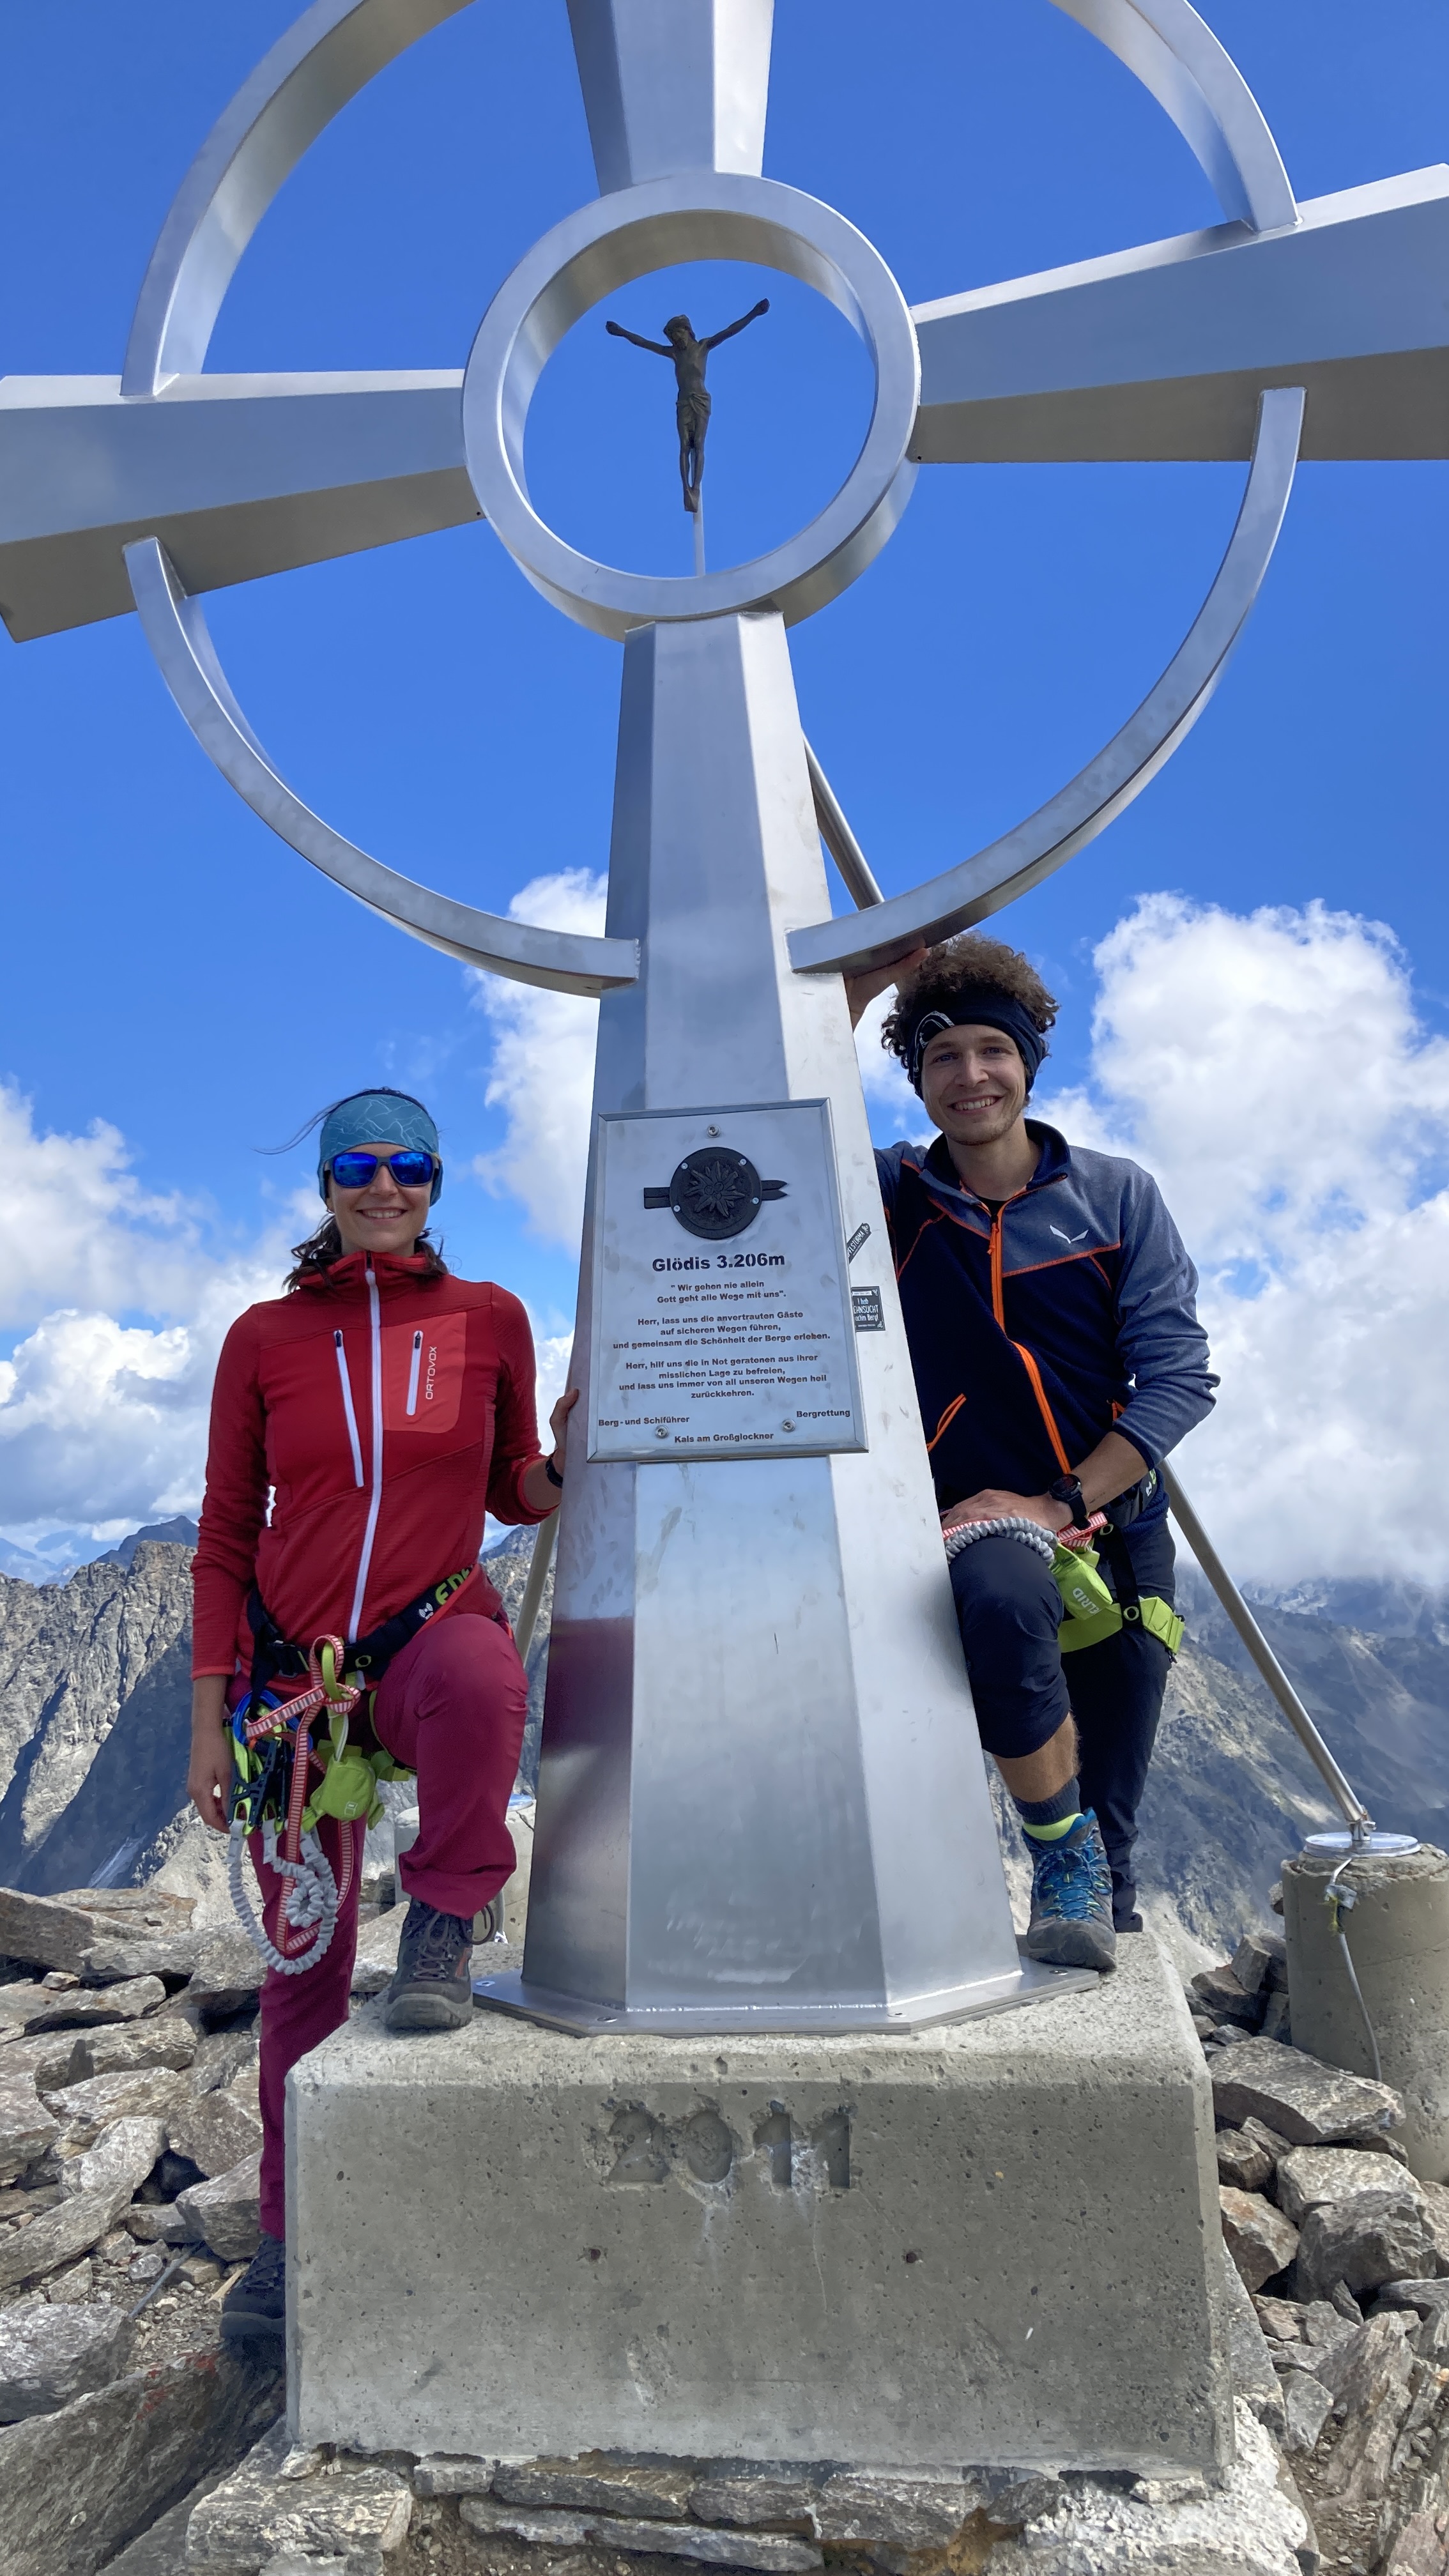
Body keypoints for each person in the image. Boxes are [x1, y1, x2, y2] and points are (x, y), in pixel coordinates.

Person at [185, 1088, 575, 2351]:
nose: (384, 1185)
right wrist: (207, 1714)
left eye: (409, 1164)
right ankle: (287, 2237)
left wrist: (565, 1460)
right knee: (300, 1967)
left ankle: (445, 1924)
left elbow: (515, 1489)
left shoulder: (487, 1317)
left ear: (437, 1181)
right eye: (357, 1165)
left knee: (483, 1679)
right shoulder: (263, 1338)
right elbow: (225, 1529)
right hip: (291, 1686)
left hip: (423, 1641)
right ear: (326, 1185)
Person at [847, 935, 1216, 1972]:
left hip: (1112, 1537)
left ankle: (1101, 1990)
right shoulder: (887, 1196)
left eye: (992, 1050)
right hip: (960, 1535)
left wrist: (1058, 1503)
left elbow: (1178, 1378)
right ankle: (1056, 1869)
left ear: (1029, 1063)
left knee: (1109, 1845)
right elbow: (780, 1129)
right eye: (941, 1056)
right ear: (914, 1078)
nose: (970, 1075)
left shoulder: (1115, 1196)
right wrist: (863, 986)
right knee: (1008, 1602)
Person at [606, 301, 770, 512]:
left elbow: (731, 330)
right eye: (673, 337)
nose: (676, 339)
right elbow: (644, 343)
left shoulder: (703, 346)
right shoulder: (675, 354)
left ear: (688, 331)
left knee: (698, 443)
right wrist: (621, 332)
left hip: (700, 399)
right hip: (683, 401)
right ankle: (686, 489)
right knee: (685, 445)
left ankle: (696, 487)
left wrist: (755, 313)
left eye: (678, 334)